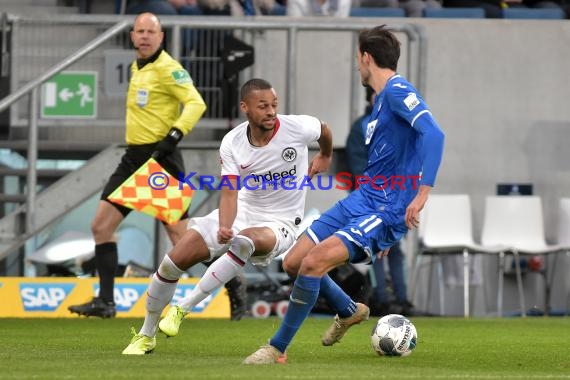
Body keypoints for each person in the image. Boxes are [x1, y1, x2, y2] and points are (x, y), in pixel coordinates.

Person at [243, 24, 445, 364]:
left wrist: (420, 195)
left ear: (366, 58)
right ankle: (349, 310)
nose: (357, 65)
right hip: (363, 199)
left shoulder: (398, 90)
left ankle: (276, 347)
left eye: (357, 58)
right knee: (293, 262)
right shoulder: (382, 101)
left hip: (383, 208)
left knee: (314, 263)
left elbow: (434, 134)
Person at [121, 78, 334, 355]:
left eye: (274, 105)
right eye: (263, 106)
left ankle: (182, 309)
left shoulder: (296, 127)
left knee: (244, 241)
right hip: (243, 209)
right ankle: (147, 335)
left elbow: (324, 130)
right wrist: (223, 226)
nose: (271, 111)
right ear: (245, 107)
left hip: (280, 222)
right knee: (173, 262)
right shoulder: (232, 142)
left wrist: (326, 156)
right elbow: (230, 193)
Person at [67, 12, 207, 319]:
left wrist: (173, 135)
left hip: (160, 158)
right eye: (139, 31)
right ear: (132, 36)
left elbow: (197, 102)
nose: (144, 36)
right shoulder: (137, 66)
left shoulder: (169, 68)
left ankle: (231, 282)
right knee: (101, 226)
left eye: (150, 31)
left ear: (161, 37)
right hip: (133, 158)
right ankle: (106, 301)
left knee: (181, 238)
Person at [346, 86, 414, 317]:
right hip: (371, 198)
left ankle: (403, 301)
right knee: (374, 250)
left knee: (395, 250)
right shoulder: (361, 127)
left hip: (397, 197)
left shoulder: (399, 125)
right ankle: (381, 300)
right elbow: (357, 167)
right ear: (371, 98)